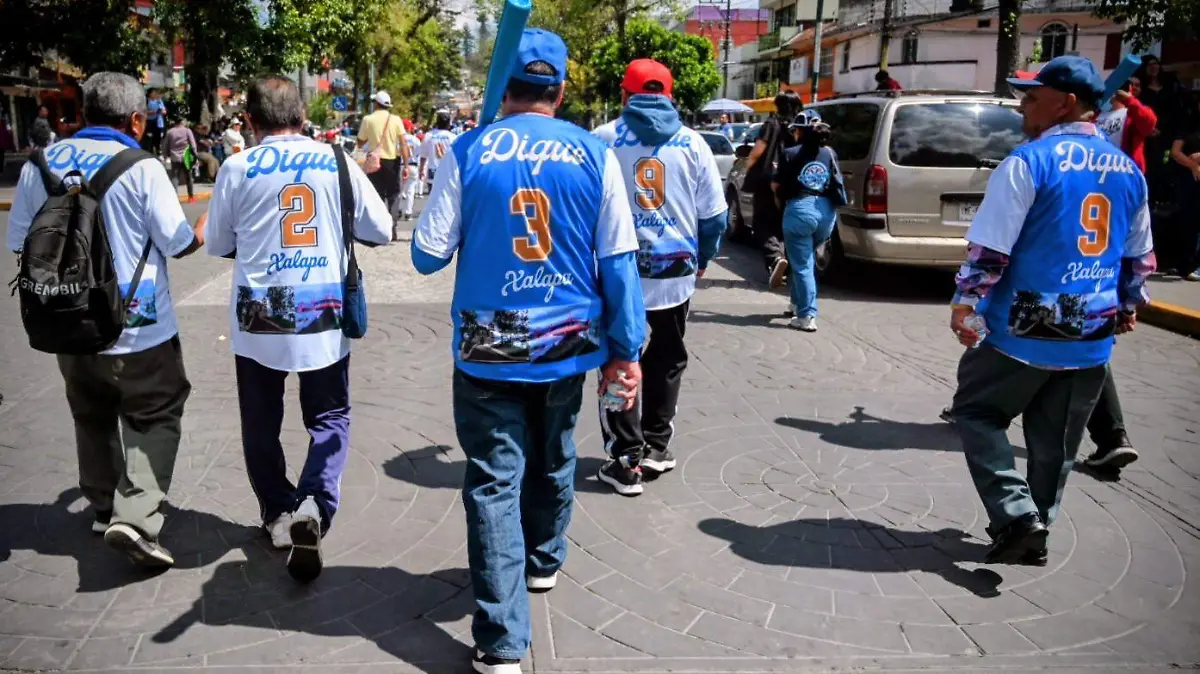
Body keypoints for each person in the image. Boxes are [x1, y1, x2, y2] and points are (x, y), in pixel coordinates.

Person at [410, 29, 645, 674]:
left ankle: (500, 642)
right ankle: (542, 559)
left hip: (489, 346)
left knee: (493, 482)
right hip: (568, 341)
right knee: (555, 449)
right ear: (561, 90)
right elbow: (619, 263)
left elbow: (426, 255)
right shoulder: (595, 154)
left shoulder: (468, 150)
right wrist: (627, 350)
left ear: (501, 85)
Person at [948, 56, 1155, 565]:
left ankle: (1018, 517)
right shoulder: (1128, 170)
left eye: (1032, 96)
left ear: (1066, 102)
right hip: (1092, 325)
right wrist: (1128, 304)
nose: (1023, 106)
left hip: (1029, 320)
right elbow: (1139, 254)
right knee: (1056, 444)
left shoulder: (1029, 161)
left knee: (976, 411)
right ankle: (1035, 529)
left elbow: (991, 249)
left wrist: (966, 302)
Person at [7, 72, 206, 569]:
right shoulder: (141, 167)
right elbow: (178, 244)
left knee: (90, 413)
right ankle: (135, 517)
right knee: (155, 411)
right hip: (139, 327)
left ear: (84, 114)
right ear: (136, 119)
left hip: (67, 323)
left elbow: (19, 244)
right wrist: (202, 229)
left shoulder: (40, 164)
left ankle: (101, 504)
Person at [204, 75, 393, 584]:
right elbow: (381, 229)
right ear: (304, 116)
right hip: (323, 317)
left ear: (249, 121)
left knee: (260, 421)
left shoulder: (238, 167)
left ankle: (278, 512)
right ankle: (314, 500)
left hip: (257, 322)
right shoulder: (336, 161)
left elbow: (218, 243)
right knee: (329, 414)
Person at [591, 59, 726, 496]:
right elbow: (714, 215)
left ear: (624, 95)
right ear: (668, 95)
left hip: (616, 271)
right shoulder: (694, 144)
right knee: (667, 356)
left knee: (617, 359)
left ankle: (626, 459)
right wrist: (704, 256)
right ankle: (656, 447)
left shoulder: (602, 139)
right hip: (674, 273)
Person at [771, 110, 848, 332]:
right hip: (826, 213)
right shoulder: (829, 153)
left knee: (802, 264)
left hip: (800, 211)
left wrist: (782, 208)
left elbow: (777, 187)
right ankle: (796, 303)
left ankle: (806, 315)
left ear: (800, 132)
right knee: (803, 259)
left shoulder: (789, 153)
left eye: (795, 130)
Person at [742, 90, 803, 288]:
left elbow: (757, 152)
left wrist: (748, 166)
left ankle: (776, 259)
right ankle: (789, 268)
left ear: (777, 105)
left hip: (768, 181)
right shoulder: (801, 126)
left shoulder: (771, 124)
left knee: (762, 223)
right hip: (793, 181)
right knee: (783, 225)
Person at [356, 90, 409, 236]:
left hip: (375, 161)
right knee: (393, 194)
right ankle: (393, 224)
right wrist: (406, 165)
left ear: (376, 104)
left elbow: (360, 142)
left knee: (376, 194)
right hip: (392, 162)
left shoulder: (368, 119)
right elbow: (403, 144)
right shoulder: (396, 119)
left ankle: (379, 228)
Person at [1168, 92, 1200, 282]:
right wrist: (1194, 165)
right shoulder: (1189, 125)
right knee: (1188, 222)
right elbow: (1175, 152)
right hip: (1189, 181)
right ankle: (1185, 264)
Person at [1096, 77, 1158, 173]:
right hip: (1096, 169)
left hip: (1123, 171)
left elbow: (1149, 123)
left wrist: (1129, 100)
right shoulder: (1096, 115)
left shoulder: (1132, 113)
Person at [419, 110, 455, 197]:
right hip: (447, 170)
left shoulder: (429, 135)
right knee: (446, 196)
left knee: (432, 196)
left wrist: (421, 169)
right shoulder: (453, 137)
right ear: (448, 123)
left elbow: (423, 156)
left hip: (433, 170)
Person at [161, 117, 198, 202]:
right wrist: (195, 156)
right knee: (189, 177)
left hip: (175, 157)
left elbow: (165, 145)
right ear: (182, 122)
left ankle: (174, 198)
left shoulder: (170, 132)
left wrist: (165, 155)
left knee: (175, 177)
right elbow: (193, 144)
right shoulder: (187, 131)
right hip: (186, 157)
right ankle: (191, 197)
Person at [399, 118, 422, 221]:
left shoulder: (398, 138)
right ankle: (408, 212)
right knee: (410, 190)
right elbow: (418, 153)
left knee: (399, 189)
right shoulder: (415, 139)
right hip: (412, 164)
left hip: (401, 164)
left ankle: (398, 209)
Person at [145, 89, 167, 156]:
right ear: (150, 94)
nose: (155, 94)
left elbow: (164, 111)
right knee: (149, 138)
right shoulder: (147, 100)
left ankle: (158, 151)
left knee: (158, 138)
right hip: (150, 122)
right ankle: (149, 151)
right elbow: (144, 111)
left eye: (156, 93)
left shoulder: (159, 101)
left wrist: (161, 111)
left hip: (158, 122)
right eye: (154, 93)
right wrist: (154, 112)